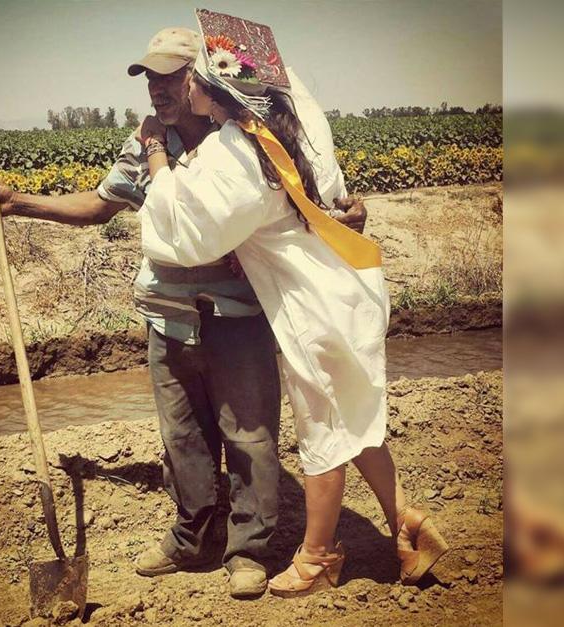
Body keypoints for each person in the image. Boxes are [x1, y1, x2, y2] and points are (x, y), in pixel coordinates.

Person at [0, 27, 366, 599]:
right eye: (149, 78)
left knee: (251, 436)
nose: (156, 88)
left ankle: (247, 550)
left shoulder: (244, 139)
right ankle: (191, 538)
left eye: (168, 76)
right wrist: (20, 204)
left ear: (199, 79)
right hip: (166, 316)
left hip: (237, 316)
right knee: (182, 438)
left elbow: (314, 201)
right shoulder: (143, 146)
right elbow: (98, 207)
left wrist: (350, 215)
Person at [136, 10, 449, 597]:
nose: (186, 88)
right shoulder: (294, 116)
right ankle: (405, 521)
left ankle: (319, 554)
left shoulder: (236, 151)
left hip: (308, 305)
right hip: (343, 286)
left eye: (195, 78)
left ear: (217, 87)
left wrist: (156, 154)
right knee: (353, 418)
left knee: (321, 426)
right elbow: (324, 197)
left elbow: (181, 232)